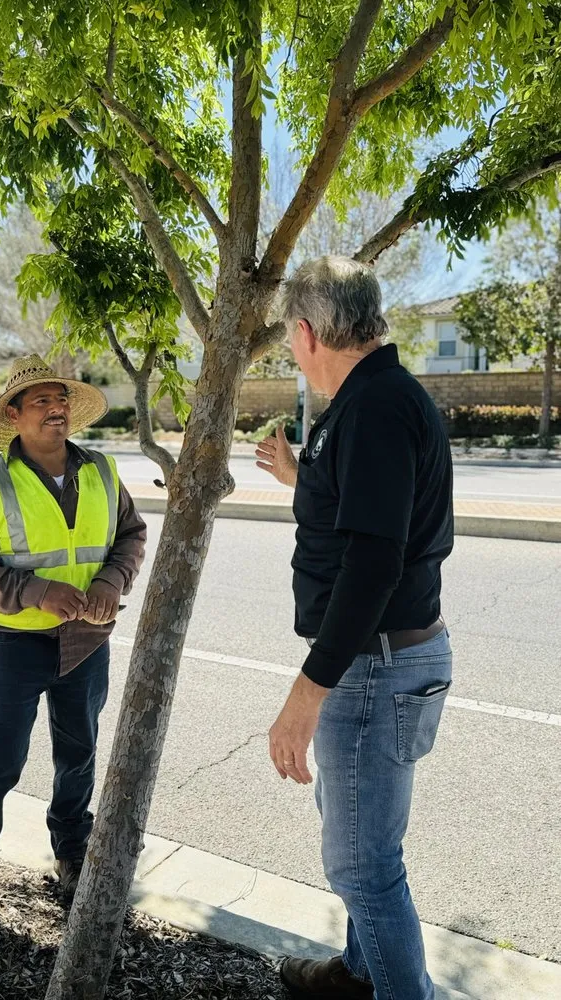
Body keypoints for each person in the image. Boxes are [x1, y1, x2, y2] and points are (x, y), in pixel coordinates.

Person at [256, 257, 453, 1000]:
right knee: (362, 839)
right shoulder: (373, 398)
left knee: (363, 867)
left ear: (308, 332)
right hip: (383, 660)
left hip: (375, 667)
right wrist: (297, 475)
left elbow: (373, 563)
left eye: (289, 337)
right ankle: (358, 975)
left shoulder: (374, 408)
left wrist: (307, 693)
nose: (291, 350)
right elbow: (361, 509)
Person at [0, 354, 146, 945]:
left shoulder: (101, 470)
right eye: (41, 401)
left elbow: (130, 536)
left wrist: (111, 582)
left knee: (78, 754)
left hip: (87, 641)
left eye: (61, 400)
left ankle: (73, 855)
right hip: (13, 645)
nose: (56, 410)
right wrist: (37, 591)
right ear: (14, 415)